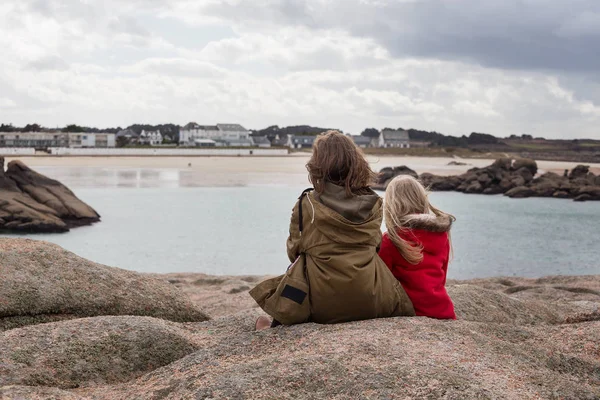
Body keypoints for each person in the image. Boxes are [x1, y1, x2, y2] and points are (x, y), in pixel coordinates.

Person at [253, 131, 415, 329]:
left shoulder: (307, 205)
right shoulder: (374, 204)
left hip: (322, 305)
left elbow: (293, 251)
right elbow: (376, 246)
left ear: (318, 166)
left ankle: (274, 326)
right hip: (372, 299)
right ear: (356, 163)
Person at [378, 175, 456, 320]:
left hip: (412, 311)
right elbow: (442, 277)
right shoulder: (441, 234)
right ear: (422, 199)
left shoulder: (391, 240)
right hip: (444, 310)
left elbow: (382, 284)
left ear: (392, 205)